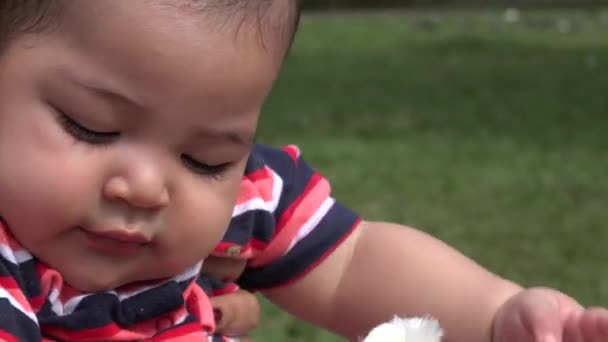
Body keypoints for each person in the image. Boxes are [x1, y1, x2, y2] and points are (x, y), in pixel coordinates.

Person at [0, 1, 606, 341]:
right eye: (91, 126)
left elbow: (350, 265)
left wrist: (497, 315)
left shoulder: (245, 198)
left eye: (205, 158)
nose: (149, 187)